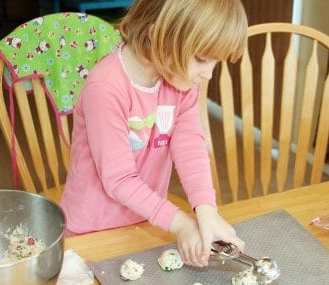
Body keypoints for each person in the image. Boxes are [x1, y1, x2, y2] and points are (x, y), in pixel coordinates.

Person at [60, 0, 248, 267]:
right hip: (92, 231)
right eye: (201, 59)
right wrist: (182, 223)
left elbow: (189, 144)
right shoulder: (106, 87)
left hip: (147, 222)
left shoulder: (179, 77)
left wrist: (206, 210)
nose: (208, 73)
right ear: (156, 36)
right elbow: (120, 179)